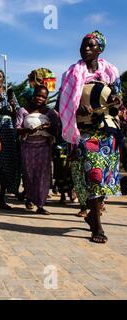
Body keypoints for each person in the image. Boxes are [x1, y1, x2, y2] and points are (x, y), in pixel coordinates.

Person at [59, 31, 122, 243]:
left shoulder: (111, 73)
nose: (86, 48)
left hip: (107, 133)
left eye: (91, 45)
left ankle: (93, 219)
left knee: (102, 181)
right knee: (93, 177)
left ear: (100, 49)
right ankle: (98, 228)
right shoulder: (71, 75)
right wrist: (77, 110)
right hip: (83, 134)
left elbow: (118, 106)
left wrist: (115, 104)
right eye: (83, 45)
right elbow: (64, 107)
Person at [17, 85, 60, 215]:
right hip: (27, 146)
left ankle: (40, 205)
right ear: (33, 95)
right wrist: (26, 130)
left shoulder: (50, 112)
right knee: (29, 175)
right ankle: (30, 198)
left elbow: (57, 131)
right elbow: (17, 128)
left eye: (43, 97)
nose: (40, 98)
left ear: (46, 99)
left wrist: (48, 127)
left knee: (42, 176)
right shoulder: (23, 110)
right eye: (38, 95)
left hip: (44, 147)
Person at [0, 69, 21, 209]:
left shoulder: (10, 95)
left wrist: (12, 105)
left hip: (8, 131)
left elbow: (16, 114)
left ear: (3, 79)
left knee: (6, 165)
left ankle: (2, 198)